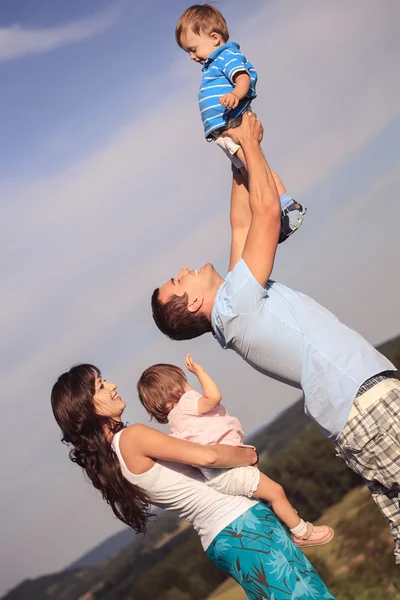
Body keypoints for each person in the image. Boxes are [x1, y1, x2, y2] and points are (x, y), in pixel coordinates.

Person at [151, 111, 399, 564]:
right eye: (178, 279)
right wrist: (251, 144)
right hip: (365, 402)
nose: (185, 269)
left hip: (355, 410)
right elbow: (265, 212)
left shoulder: (230, 308)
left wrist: (236, 156)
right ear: (189, 305)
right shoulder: (234, 306)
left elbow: (241, 222)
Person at [51, 364, 335, 600]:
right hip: (242, 526)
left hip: (221, 540)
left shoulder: (109, 466)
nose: (112, 385)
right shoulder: (133, 438)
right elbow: (208, 457)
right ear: (85, 407)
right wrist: (248, 455)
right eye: (101, 385)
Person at [138, 354, 334, 548]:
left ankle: (279, 527)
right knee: (276, 492)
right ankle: (302, 533)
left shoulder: (175, 421)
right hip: (228, 468)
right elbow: (214, 397)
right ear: (175, 387)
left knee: (265, 496)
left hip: (219, 473)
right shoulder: (188, 404)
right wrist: (199, 372)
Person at [175, 3, 306, 241]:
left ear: (214, 37)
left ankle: (288, 207)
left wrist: (235, 95)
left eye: (193, 49)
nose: (192, 56)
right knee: (247, 174)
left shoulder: (225, 55)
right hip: (225, 132)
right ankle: (270, 217)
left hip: (235, 124)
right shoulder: (212, 63)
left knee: (256, 170)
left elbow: (243, 78)